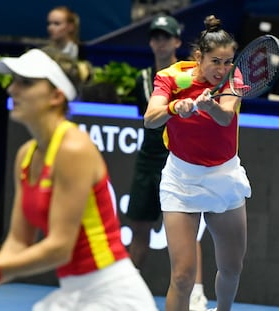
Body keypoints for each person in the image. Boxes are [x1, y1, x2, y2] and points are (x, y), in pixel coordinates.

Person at [0, 47, 158, 311]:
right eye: (13, 82)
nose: (12, 89)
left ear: (56, 96)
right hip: (73, 292)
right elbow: (19, 241)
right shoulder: (25, 156)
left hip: (114, 295)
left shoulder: (73, 148)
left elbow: (59, 248)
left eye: (26, 83)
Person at [144, 15, 251, 311]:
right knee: (182, 277)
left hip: (224, 176)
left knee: (231, 268)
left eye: (228, 61)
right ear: (198, 57)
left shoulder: (234, 79)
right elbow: (150, 120)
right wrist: (175, 107)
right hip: (182, 179)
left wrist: (208, 105)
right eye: (216, 61)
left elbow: (226, 115)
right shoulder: (170, 76)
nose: (223, 69)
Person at [126, 14, 208, 311]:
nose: (160, 42)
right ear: (150, 42)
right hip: (149, 159)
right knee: (138, 226)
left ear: (176, 41)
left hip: (179, 158)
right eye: (155, 37)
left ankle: (197, 295)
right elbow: (147, 119)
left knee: (187, 229)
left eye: (166, 37)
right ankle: (128, 292)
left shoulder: (189, 75)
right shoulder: (143, 79)